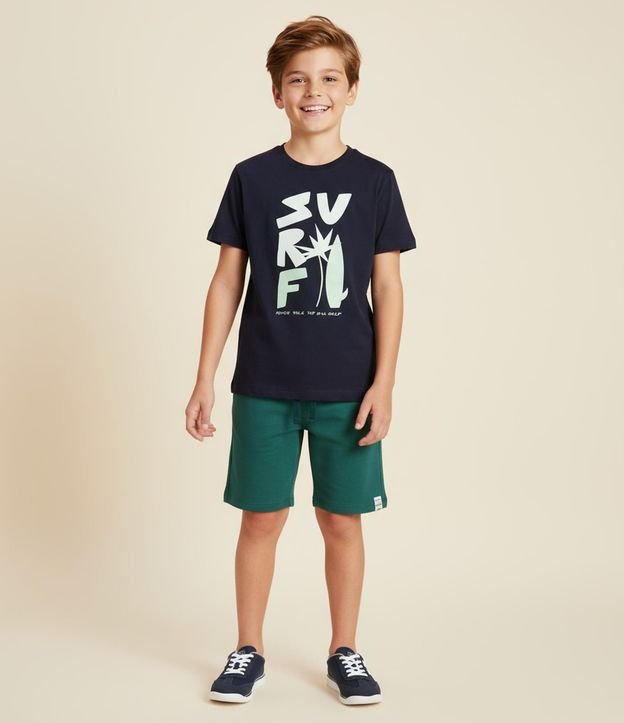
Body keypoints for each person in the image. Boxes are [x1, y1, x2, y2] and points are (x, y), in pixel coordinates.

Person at [185, 15, 416, 706]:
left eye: (329, 79)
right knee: (260, 518)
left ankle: (345, 649)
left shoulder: (376, 181)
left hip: (348, 385)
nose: (314, 92)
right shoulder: (251, 178)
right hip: (264, 383)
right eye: (298, 80)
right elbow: (227, 280)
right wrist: (203, 377)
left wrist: (384, 383)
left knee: (342, 520)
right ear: (277, 93)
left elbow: (388, 286)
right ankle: (247, 648)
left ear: (351, 90)